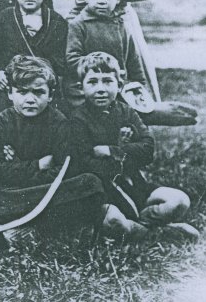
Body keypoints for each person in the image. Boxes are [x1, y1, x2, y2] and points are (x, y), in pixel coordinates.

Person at [69, 53, 198, 240]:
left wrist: (113, 150)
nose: (100, 89)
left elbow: (147, 150)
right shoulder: (77, 120)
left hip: (135, 185)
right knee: (115, 222)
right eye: (92, 82)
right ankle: (158, 233)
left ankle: (142, 226)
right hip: (105, 193)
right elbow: (87, 164)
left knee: (179, 201)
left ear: (119, 85)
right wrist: (126, 154)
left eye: (107, 81)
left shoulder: (127, 112)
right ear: (81, 87)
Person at [0, 56, 104, 233]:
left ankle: (34, 226)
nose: (30, 99)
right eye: (22, 92)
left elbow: (65, 169)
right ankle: (41, 226)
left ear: (50, 95)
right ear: (10, 93)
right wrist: (38, 165)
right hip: (16, 193)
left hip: (48, 190)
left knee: (90, 183)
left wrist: (18, 167)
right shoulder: (2, 122)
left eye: (38, 92)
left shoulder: (58, 122)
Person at [0, 0, 67, 116]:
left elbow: (59, 61)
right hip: (13, 87)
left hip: (43, 88)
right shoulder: (5, 18)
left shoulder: (57, 21)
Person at [65, 0, 147, 106]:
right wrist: (101, 68)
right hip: (86, 90)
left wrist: (140, 85)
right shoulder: (78, 24)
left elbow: (133, 60)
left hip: (118, 89)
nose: (102, 1)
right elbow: (72, 59)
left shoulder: (122, 25)